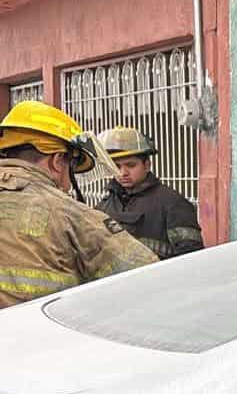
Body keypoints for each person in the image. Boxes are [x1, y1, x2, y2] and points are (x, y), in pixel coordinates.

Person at [0, 101, 155, 308]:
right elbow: (149, 277)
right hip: (44, 338)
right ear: (57, 161)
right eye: (72, 166)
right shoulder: (68, 213)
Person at [96, 126, 205, 259]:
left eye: (131, 165)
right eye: (116, 166)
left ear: (147, 165)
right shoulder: (105, 204)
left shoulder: (172, 203)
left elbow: (191, 257)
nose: (123, 173)